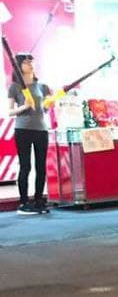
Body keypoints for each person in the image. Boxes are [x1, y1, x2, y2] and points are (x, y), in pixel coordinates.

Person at [7, 53, 52, 216]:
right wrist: (25, 106)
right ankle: (24, 201)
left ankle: (39, 199)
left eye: (31, 61)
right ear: (19, 66)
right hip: (23, 130)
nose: (30, 64)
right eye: (26, 62)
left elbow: (45, 109)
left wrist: (49, 104)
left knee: (41, 166)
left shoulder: (43, 86)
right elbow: (10, 111)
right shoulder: (15, 87)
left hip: (41, 130)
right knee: (25, 165)